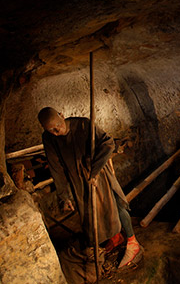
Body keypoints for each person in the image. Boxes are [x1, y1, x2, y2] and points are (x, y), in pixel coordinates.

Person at [38, 107, 143, 271]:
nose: (56, 132)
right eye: (51, 130)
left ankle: (132, 242)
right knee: (91, 213)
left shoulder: (83, 125)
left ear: (62, 115)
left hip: (98, 173)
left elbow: (108, 143)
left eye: (57, 126)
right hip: (78, 181)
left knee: (115, 204)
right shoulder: (49, 139)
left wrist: (94, 172)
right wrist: (64, 196)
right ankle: (115, 238)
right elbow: (56, 168)